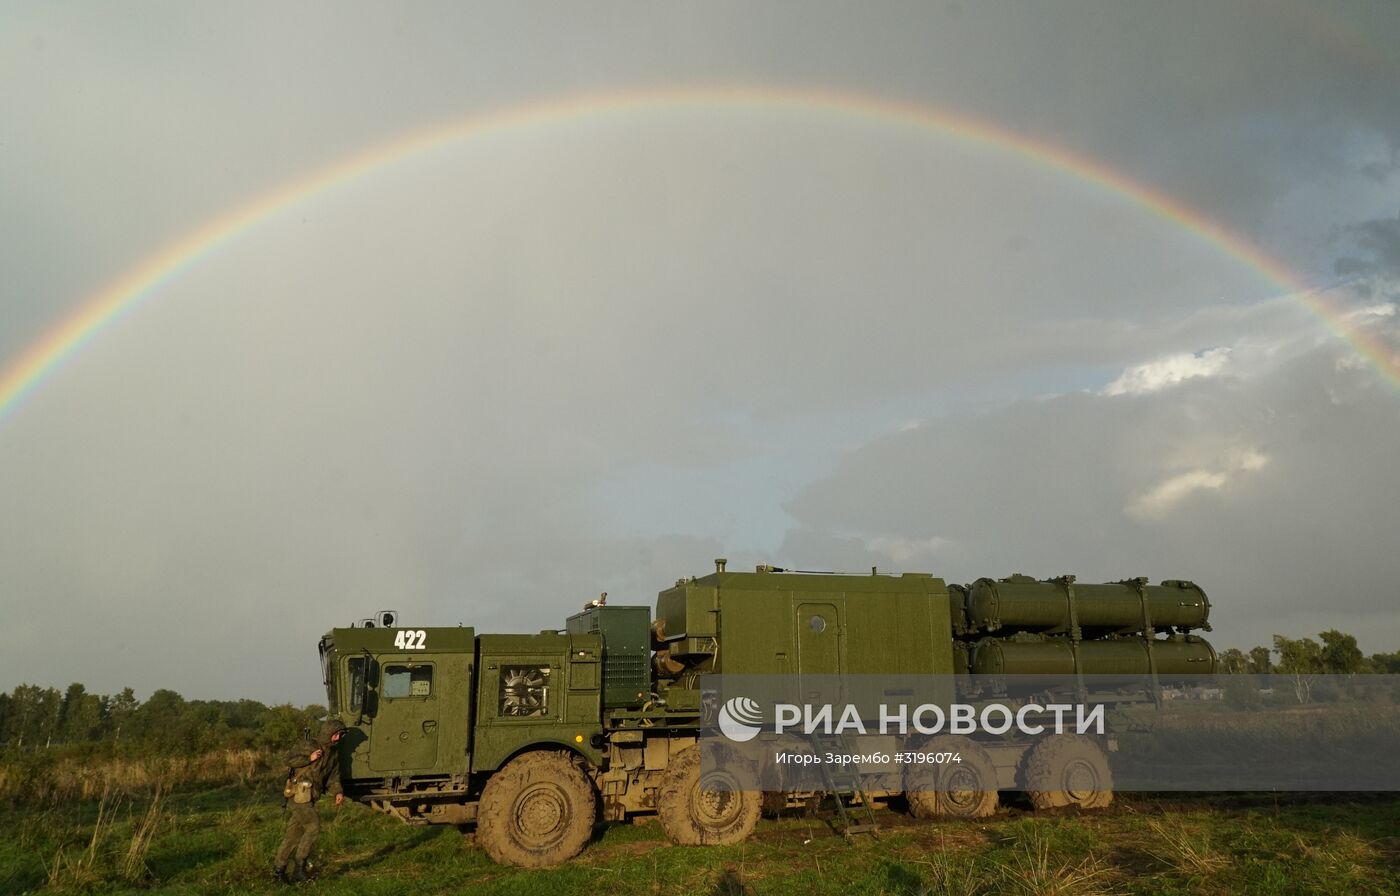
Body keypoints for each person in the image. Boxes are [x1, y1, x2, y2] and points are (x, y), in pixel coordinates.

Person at [273, 719, 348, 883]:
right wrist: (309, 757)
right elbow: (288, 759)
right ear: (328, 733)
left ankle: (279, 871)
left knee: (293, 835)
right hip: (298, 796)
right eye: (336, 734)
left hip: (311, 797)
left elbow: (333, 776)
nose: (338, 738)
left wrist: (338, 792)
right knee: (313, 827)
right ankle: (300, 868)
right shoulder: (309, 745)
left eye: (340, 735)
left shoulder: (333, 753)